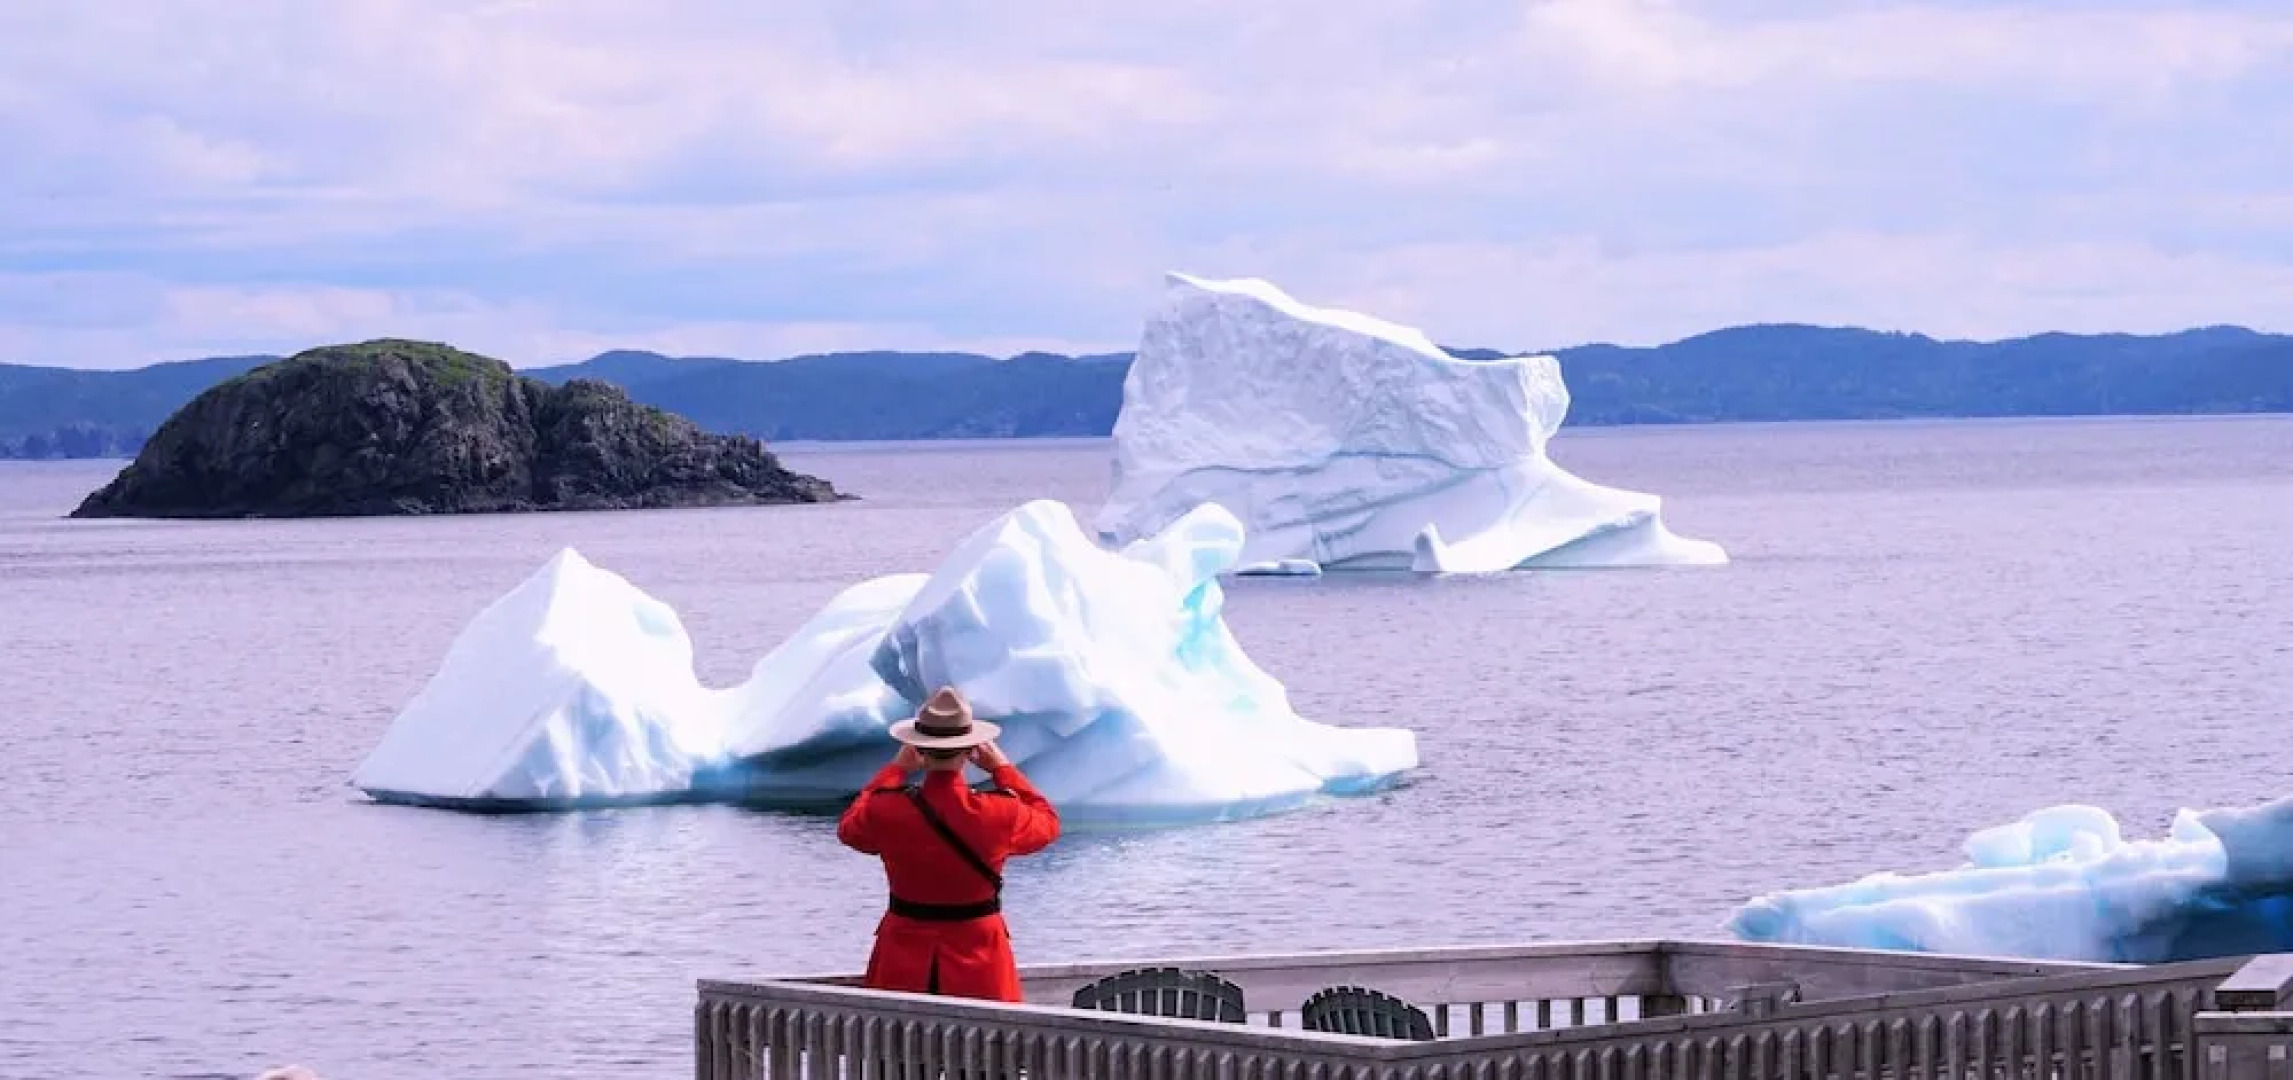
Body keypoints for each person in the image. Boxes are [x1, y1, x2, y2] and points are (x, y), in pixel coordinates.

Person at [837, 686, 1060, 1003]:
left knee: (898, 1045)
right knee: (987, 1045)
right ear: (970, 751)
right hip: (981, 954)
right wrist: (1003, 770)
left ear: (918, 749)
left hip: (903, 954)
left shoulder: (886, 809)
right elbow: (1048, 822)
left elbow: (850, 829)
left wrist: (895, 770)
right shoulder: (1001, 812)